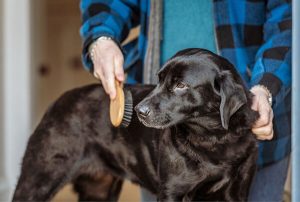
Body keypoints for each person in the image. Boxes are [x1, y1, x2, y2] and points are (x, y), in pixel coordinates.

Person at [80, 0, 292, 201]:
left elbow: (288, 21)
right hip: (167, 133)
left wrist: (266, 86)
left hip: (255, 114)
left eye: (178, 85)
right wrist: (101, 39)